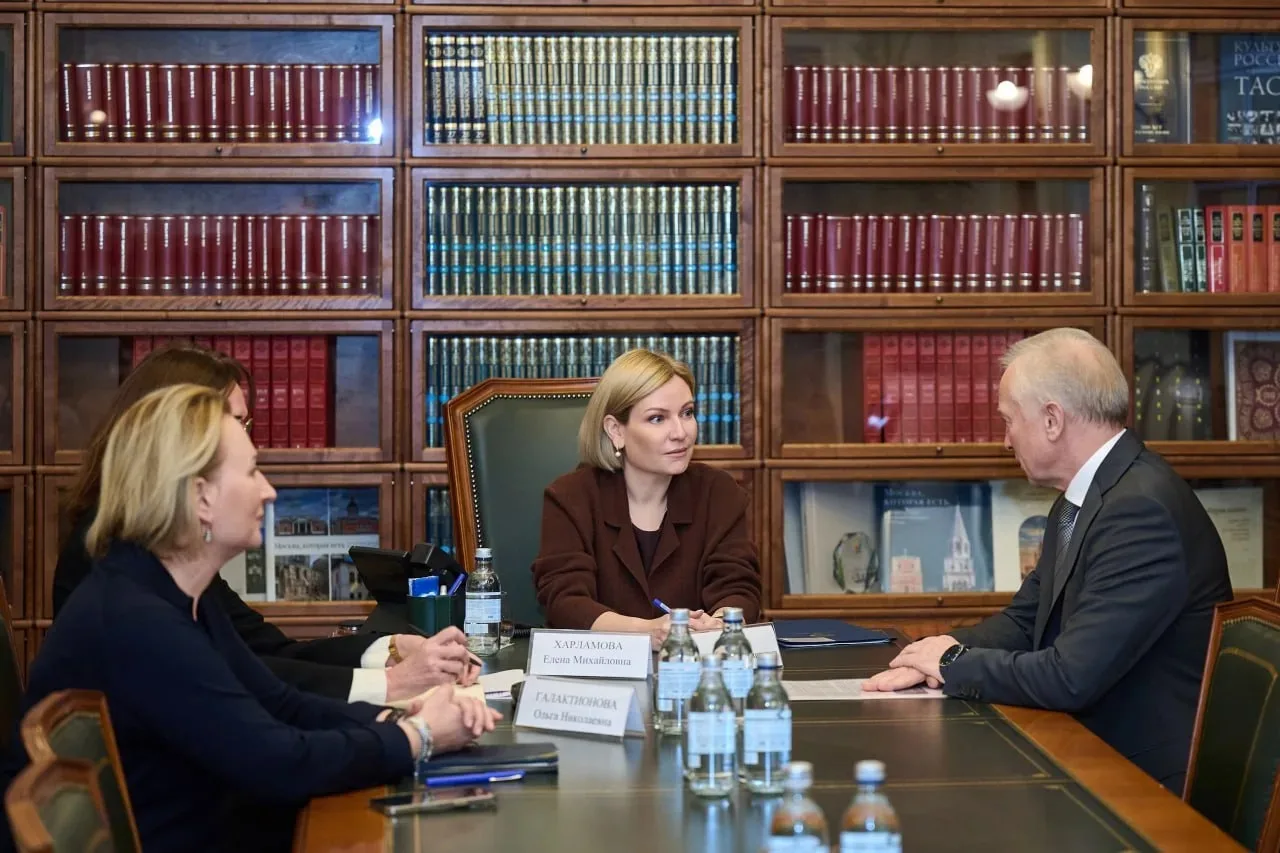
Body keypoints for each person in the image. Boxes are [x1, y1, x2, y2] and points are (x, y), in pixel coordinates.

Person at [2, 384, 502, 853]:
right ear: (200, 498)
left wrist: (402, 716)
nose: (268, 491)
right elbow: (280, 763)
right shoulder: (138, 622)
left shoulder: (175, 592)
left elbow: (280, 703)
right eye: (251, 472)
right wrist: (419, 737)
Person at [864, 328, 1232, 793]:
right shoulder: (1085, 497)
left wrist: (953, 663)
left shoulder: (1139, 512)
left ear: (1052, 420)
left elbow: (1070, 677)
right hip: (1083, 748)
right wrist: (933, 652)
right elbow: (1026, 621)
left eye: (1008, 420)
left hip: (1139, 782)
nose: (1005, 441)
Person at [53, 343, 476, 704]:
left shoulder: (169, 543)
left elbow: (265, 652)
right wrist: (397, 698)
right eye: (235, 423)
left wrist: (389, 649)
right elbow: (248, 692)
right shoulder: (115, 554)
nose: (248, 441)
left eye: (245, 424)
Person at [531, 348, 762, 649]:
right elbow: (564, 600)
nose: (680, 432)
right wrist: (645, 631)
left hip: (693, 669)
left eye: (687, 413)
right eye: (657, 418)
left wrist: (719, 625)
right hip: (598, 671)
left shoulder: (719, 492)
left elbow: (738, 584)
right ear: (616, 431)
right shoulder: (570, 497)